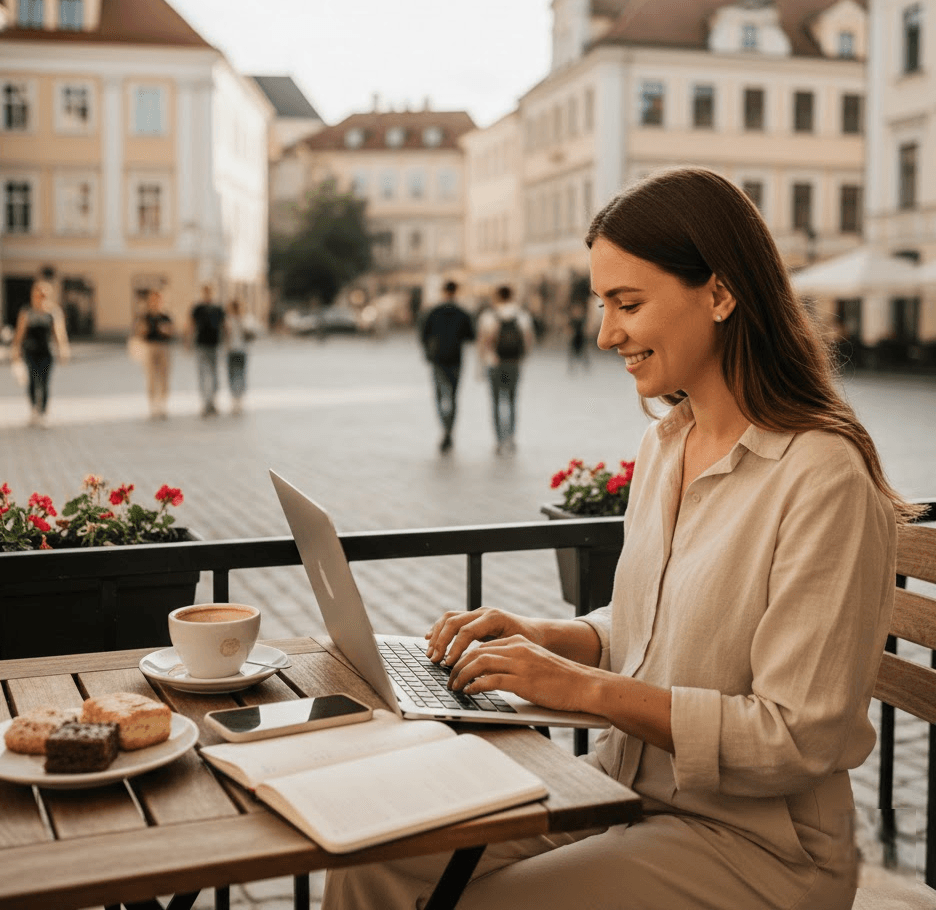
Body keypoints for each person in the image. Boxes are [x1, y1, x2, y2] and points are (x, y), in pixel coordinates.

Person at [322, 167, 919, 910]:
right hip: (620, 790)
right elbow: (650, 628)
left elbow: (796, 739)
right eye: (603, 304)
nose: (605, 333)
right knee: (373, 859)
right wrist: (549, 637)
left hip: (755, 848)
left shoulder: (823, 477)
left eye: (628, 304)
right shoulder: (669, 444)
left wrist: (583, 691)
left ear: (722, 293)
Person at [476, 285, 534, 455]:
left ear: (496, 296)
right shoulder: (522, 315)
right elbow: (529, 340)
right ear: (512, 296)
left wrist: (480, 365)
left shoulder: (487, 316)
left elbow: (482, 343)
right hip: (514, 363)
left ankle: (499, 440)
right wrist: (523, 359)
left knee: (495, 402)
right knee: (512, 401)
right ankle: (511, 437)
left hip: (494, 364)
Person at [419, 280, 476, 452]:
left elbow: (423, 335)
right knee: (453, 397)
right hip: (455, 360)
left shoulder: (433, 312)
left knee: (439, 396)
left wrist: (428, 352)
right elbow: (471, 337)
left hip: (438, 360)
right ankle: (450, 430)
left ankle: (444, 428)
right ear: (456, 291)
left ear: (443, 291)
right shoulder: (463, 313)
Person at [10, 279, 70, 427]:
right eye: (38, 294)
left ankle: (42, 412)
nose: (41, 297)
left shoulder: (53, 312)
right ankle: (33, 411)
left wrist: (63, 349)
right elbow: (20, 334)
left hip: (46, 352)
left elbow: (59, 334)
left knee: (44, 382)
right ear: (33, 294)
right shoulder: (27, 312)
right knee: (32, 381)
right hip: (30, 351)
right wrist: (15, 350)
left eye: (44, 294)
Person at [134, 291, 173, 419]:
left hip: (163, 347)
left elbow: (172, 331)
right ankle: (153, 404)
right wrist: (142, 330)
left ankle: (162, 404)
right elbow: (138, 332)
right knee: (150, 376)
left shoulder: (165, 316)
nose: (155, 302)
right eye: (152, 300)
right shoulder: (145, 316)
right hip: (149, 347)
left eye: (157, 300)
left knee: (163, 377)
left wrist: (167, 330)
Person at [189, 284, 225, 417]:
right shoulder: (197, 308)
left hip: (215, 344)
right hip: (201, 344)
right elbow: (191, 324)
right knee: (203, 374)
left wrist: (226, 343)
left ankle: (213, 401)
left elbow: (224, 326)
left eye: (210, 292)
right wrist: (187, 342)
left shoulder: (218, 308)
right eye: (206, 292)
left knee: (214, 373)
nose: (208, 295)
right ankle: (205, 401)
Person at [224, 298, 254, 414]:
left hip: (233, 350)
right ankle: (239, 398)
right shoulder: (245, 319)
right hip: (241, 350)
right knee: (240, 374)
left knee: (233, 374)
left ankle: (235, 398)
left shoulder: (230, 320)